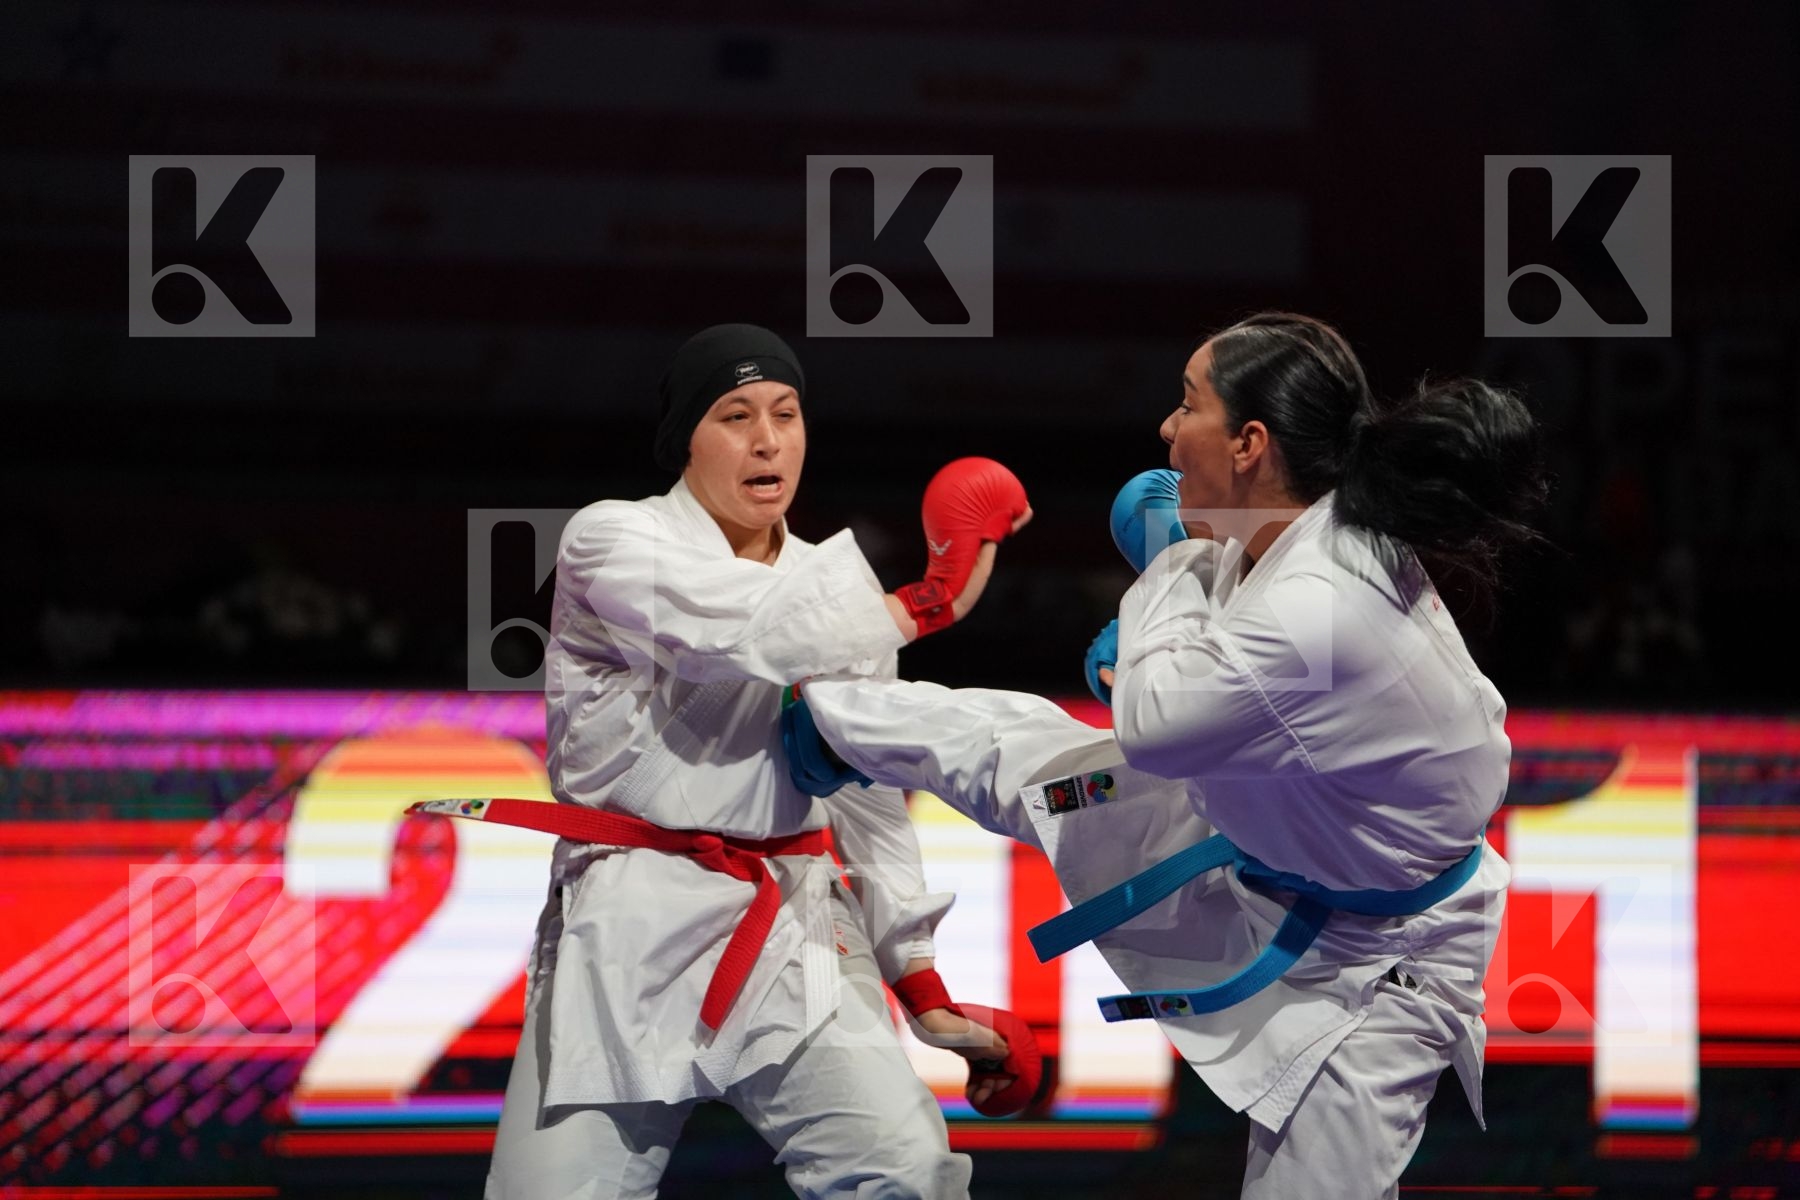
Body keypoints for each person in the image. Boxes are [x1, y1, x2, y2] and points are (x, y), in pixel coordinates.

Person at [784, 312, 1547, 1199]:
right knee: (1034, 764)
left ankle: (829, 720)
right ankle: (821, 719)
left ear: (1250, 443)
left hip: (1381, 969)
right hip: (1283, 847)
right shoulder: (1315, 530)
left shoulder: (1317, 602)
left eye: (1188, 406)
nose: (1167, 430)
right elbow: (1192, 685)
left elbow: (1152, 721)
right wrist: (1177, 596)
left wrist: (1166, 566)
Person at [468, 325, 1034, 1199]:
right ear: (685, 440)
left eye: (786, 413)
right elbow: (733, 634)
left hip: (792, 924)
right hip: (629, 926)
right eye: (735, 416)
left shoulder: (837, 595)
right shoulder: (609, 540)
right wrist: (931, 598)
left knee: (905, 1174)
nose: (768, 439)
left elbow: (870, 802)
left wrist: (919, 980)